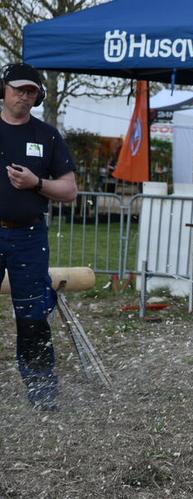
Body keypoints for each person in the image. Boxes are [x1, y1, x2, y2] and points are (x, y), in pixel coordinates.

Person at [0, 63, 78, 410]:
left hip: (29, 235)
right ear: (4, 89)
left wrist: (37, 183)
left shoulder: (47, 135)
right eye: (18, 89)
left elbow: (70, 189)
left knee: (32, 317)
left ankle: (42, 393)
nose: (24, 96)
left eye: (31, 91)